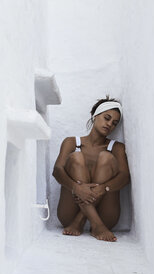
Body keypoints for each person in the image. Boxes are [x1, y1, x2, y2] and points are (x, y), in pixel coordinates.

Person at [52, 97, 130, 242]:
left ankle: (82, 221)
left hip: (105, 216)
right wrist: (76, 188)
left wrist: (103, 188)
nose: (109, 124)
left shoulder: (117, 148)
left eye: (114, 123)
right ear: (95, 116)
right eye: (107, 118)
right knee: (76, 157)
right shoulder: (71, 142)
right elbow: (57, 170)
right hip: (69, 213)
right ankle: (94, 224)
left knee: (105, 158)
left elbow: (125, 176)